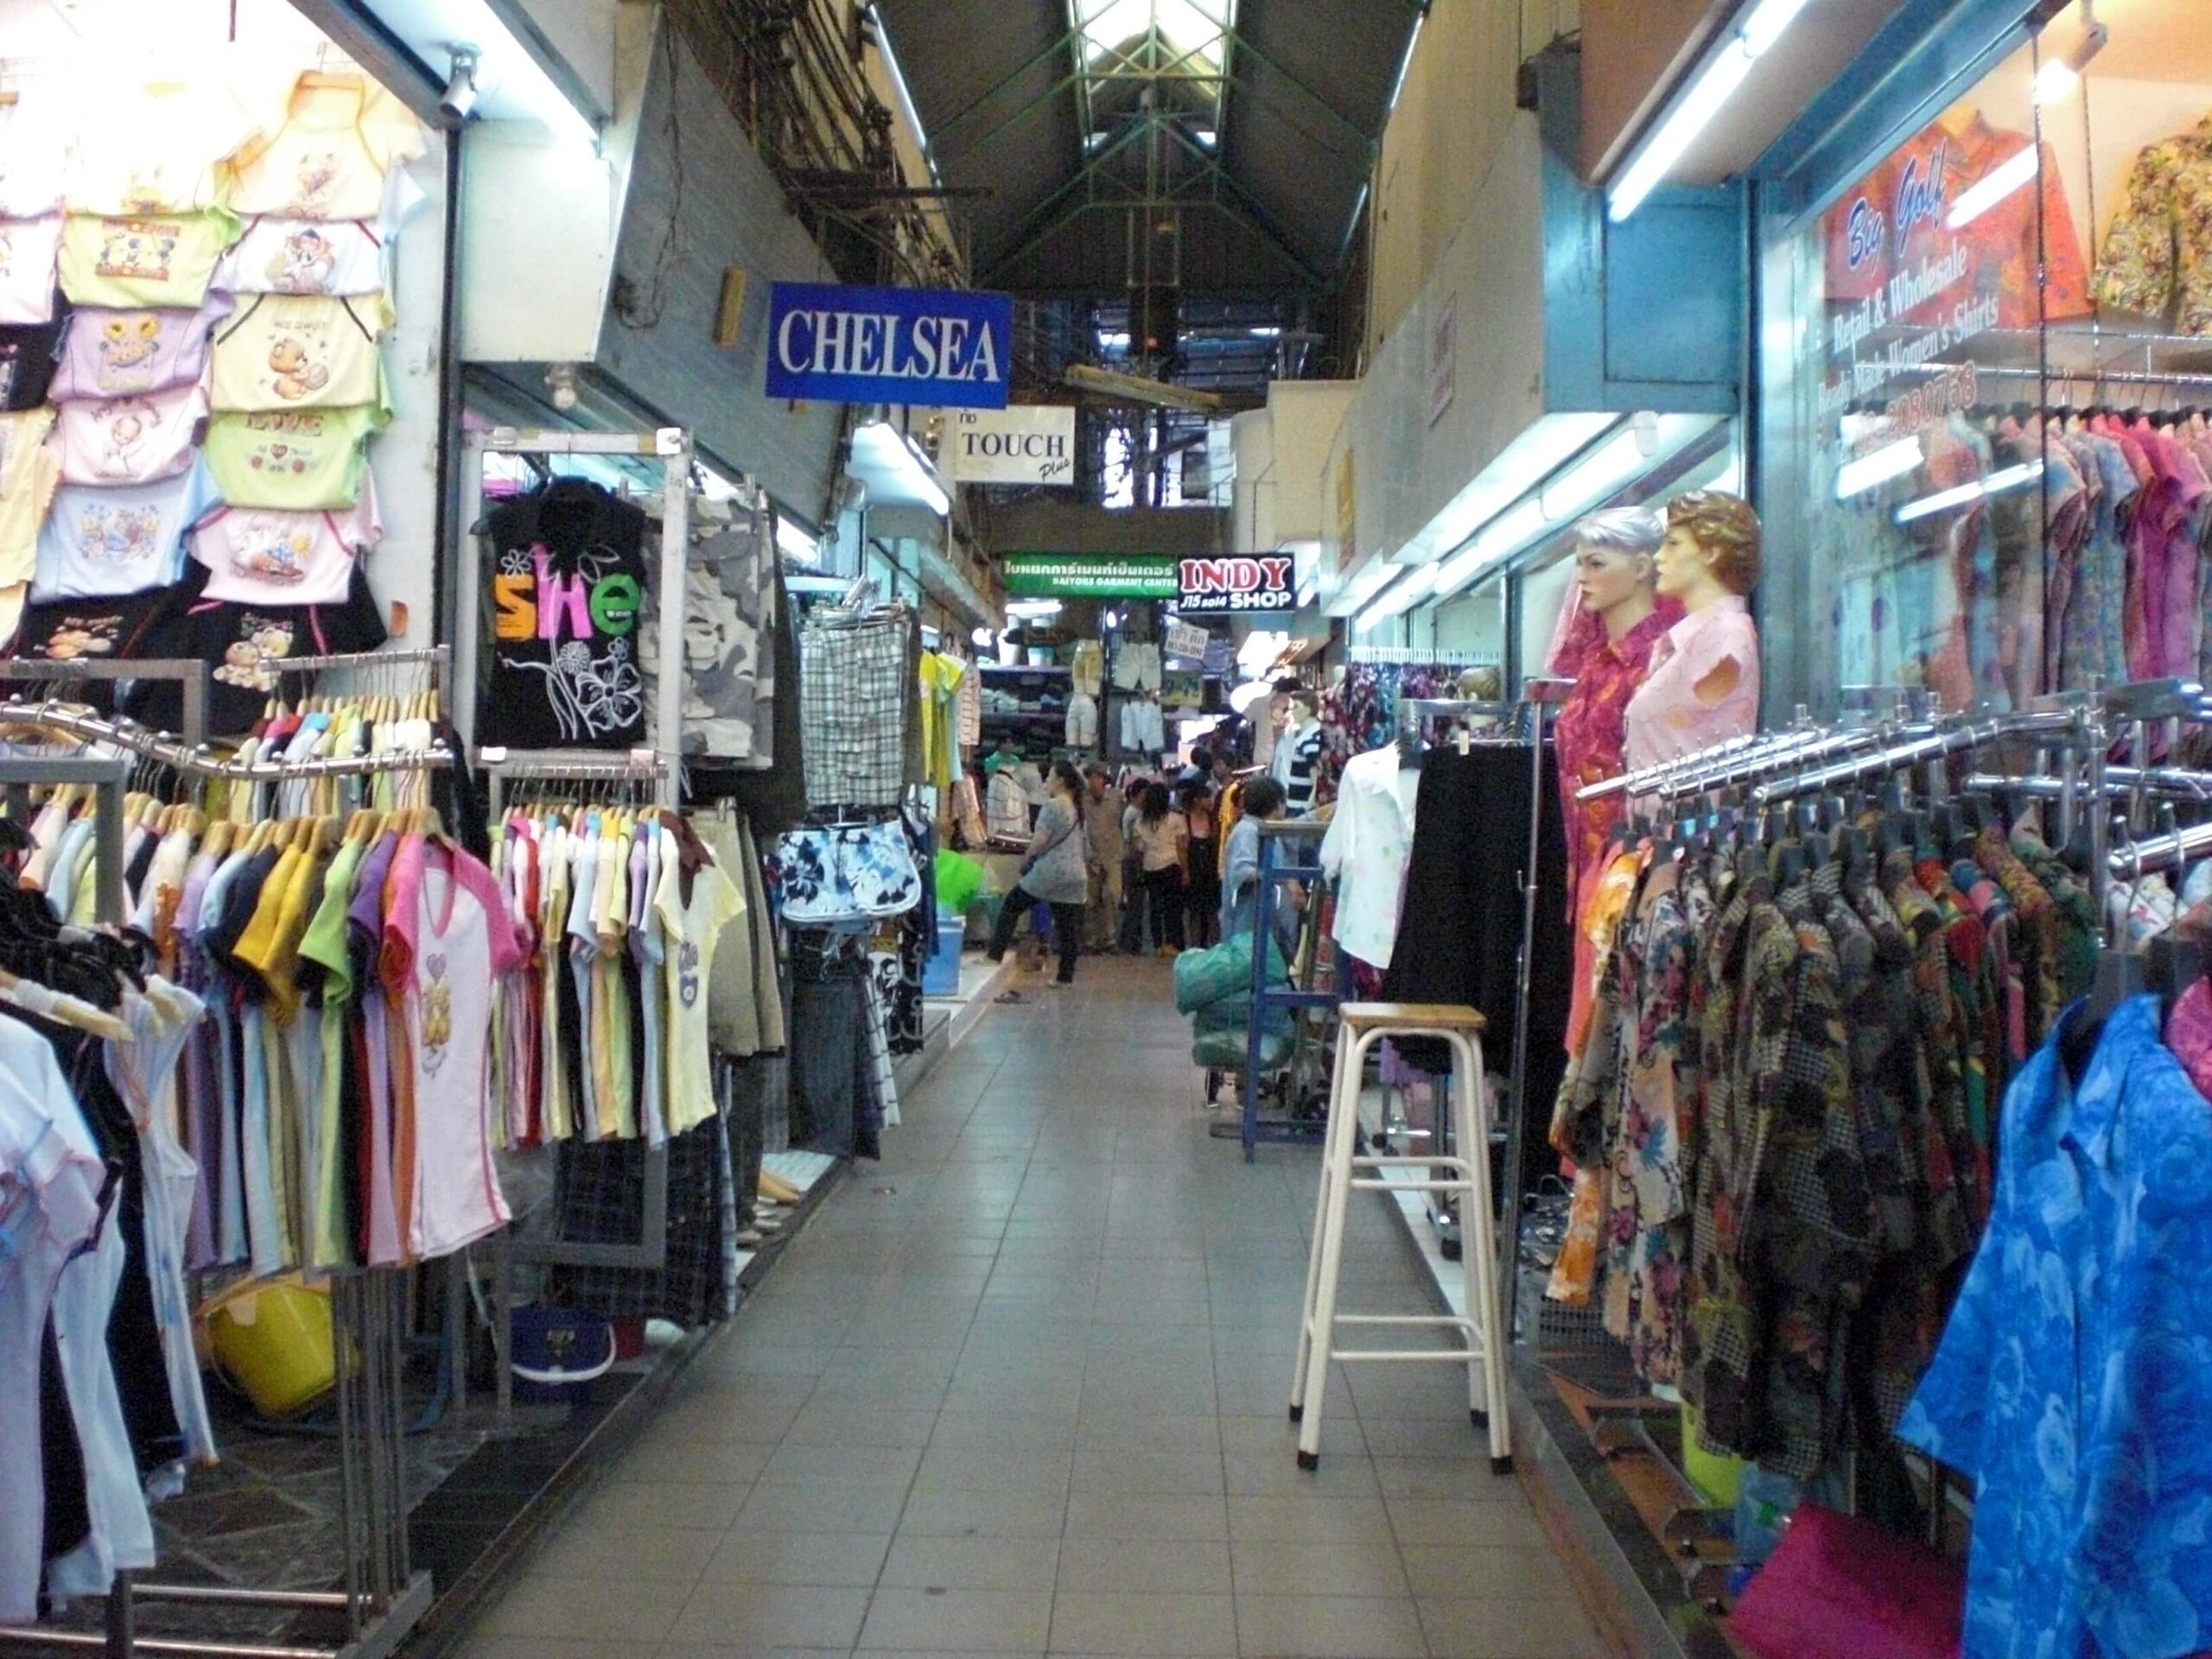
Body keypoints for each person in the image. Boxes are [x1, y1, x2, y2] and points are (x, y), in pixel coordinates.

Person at [986, 760, 1091, 986]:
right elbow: (1086, 847)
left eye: (1050, 776)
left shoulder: (1053, 806)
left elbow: (1039, 840)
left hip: (1050, 871)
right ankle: (1065, 977)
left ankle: (994, 955)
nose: (1046, 781)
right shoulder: (1078, 809)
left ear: (1061, 781)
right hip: (1076, 874)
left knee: (1012, 905)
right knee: (1067, 928)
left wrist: (1027, 859)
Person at [1219, 773, 1288, 941]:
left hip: (1261, 923)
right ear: (1277, 805)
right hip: (1246, 925)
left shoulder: (1266, 830)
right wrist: (1280, 877)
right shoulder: (1248, 831)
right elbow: (1242, 870)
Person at [1131, 779, 1188, 955]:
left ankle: (1157, 944)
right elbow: (1181, 847)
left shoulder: (1140, 822)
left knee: (1155, 907)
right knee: (1174, 907)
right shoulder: (1176, 819)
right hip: (1172, 866)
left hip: (1150, 868)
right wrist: (1186, 871)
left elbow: (1138, 849)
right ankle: (1173, 943)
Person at [1080, 763, 1124, 951]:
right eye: (1091, 777)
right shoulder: (1082, 799)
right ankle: (1091, 939)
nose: (1094, 782)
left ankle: (1109, 939)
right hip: (1091, 856)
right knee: (1090, 900)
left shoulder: (1116, 798)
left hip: (1113, 856)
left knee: (1112, 896)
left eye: (1098, 778)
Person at [1179, 778, 1221, 949]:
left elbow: (1217, 845)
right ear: (1197, 800)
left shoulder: (1213, 820)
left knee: (1212, 911)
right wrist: (1185, 872)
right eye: (1207, 798)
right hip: (1194, 870)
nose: (1210, 801)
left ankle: (1215, 945)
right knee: (1195, 911)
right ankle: (1195, 946)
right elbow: (1182, 849)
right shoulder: (1185, 820)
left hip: (1210, 871)